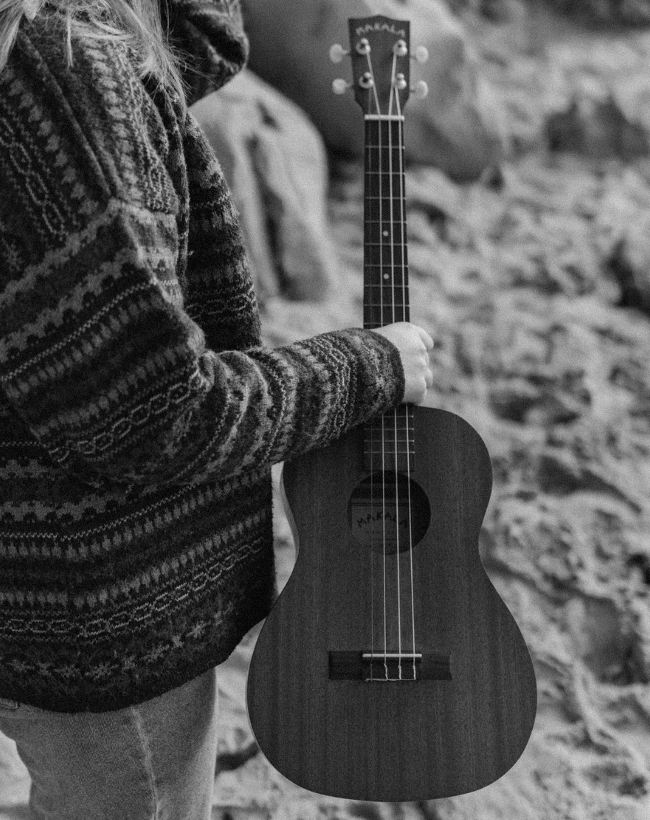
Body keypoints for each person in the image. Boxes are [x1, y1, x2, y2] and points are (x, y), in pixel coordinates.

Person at [0, 1, 435, 817]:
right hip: (93, 617)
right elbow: (158, 417)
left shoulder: (70, 56)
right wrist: (371, 365)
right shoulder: (66, 76)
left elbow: (197, 45)